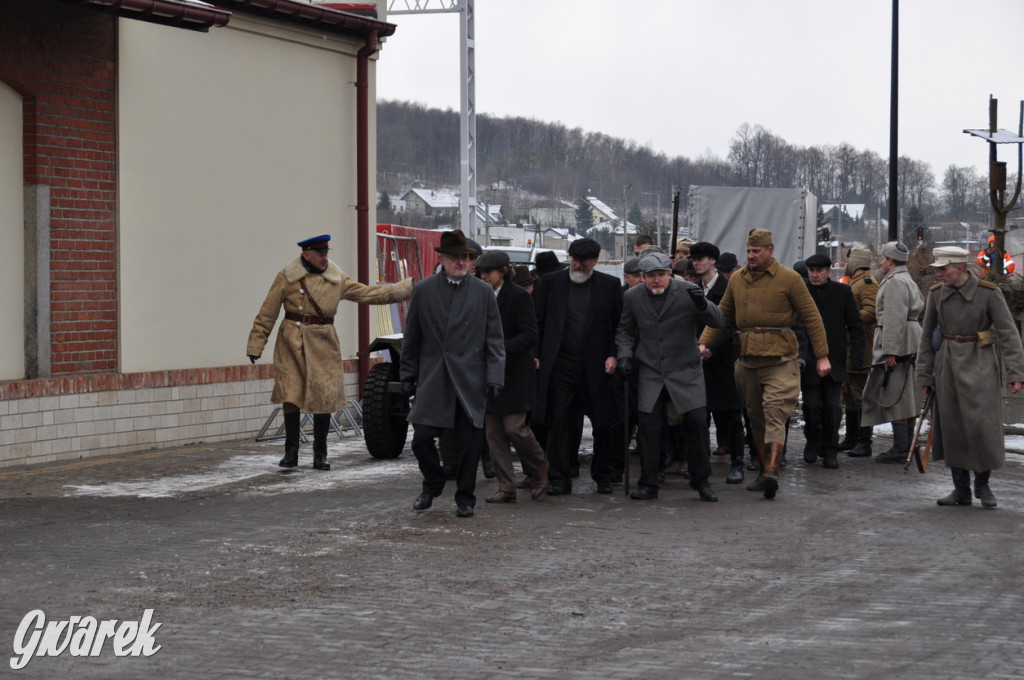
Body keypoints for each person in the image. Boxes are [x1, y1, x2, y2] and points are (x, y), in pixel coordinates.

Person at [247, 234, 413, 471]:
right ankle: (291, 452)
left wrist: (407, 287)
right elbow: (268, 312)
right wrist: (256, 344)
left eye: (326, 253)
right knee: (290, 393)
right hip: (291, 340)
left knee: (324, 396)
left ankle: (320, 454)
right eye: (320, 254)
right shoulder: (287, 276)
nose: (325, 258)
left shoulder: (337, 278)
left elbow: (370, 294)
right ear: (306, 255)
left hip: (324, 340)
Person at [699, 228, 830, 499]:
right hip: (747, 361)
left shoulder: (790, 279)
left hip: (781, 359)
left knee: (774, 410)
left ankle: (771, 470)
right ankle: (763, 471)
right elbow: (722, 315)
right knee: (755, 416)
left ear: (770, 250)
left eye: (756, 251)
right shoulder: (737, 280)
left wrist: (822, 355)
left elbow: (812, 318)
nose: (751, 256)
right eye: (748, 251)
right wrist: (704, 343)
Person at [400, 230, 505, 517]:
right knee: (421, 439)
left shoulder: (483, 292)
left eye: (467, 258)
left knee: (470, 443)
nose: (462, 262)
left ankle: (465, 497)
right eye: (456, 257)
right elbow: (412, 338)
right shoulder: (424, 290)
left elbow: (495, 340)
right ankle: (432, 483)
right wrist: (407, 374)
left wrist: (496, 377)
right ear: (443, 259)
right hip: (434, 377)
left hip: (469, 378)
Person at [917, 246, 1024, 508]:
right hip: (947, 366)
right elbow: (927, 335)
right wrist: (925, 374)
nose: (939, 273)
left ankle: (983, 485)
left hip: (981, 364)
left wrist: (1016, 372)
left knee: (982, 427)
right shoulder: (936, 295)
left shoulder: (989, 293)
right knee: (951, 426)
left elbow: (1009, 334)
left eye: (943, 268)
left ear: (960, 268)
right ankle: (960, 489)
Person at [616, 251, 724, 501]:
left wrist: (703, 304)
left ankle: (702, 481)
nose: (657, 280)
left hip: (686, 370)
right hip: (651, 371)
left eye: (661, 275)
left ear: (669, 274)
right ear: (642, 277)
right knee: (649, 428)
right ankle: (649, 483)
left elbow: (718, 321)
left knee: (697, 424)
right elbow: (625, 330)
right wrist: (624, 355)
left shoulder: (688, 290)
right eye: (651, 276)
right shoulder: (632, 296)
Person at [535, 237, 623, 495]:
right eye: (573, 259)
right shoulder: (551, 283)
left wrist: (614, 354)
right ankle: (559, 478)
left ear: (595, 262)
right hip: (561, 366)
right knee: (558, 423)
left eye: (583, 261)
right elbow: (538, 321)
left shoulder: (609, 286)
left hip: (597, 368)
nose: (577, 265)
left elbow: (620, 326)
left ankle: (603, 475)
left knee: (603, 425)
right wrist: (537, 354)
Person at [476, 249, 549, 503]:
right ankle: (506, 487)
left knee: (514, 428)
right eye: (481, 271)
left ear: (503, 272)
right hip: (488, 374)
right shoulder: (478, 295)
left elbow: (530, 335)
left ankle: (540, 465)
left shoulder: (518, 296)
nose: (483, 276)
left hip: (516, 375)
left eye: (488, 272)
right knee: (494, 433)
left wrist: (498, 349)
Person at [799, 253, 865, 469]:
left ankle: (830, 449)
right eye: (811, 271)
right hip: (808, 360)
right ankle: (812, 440)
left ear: (828, 271)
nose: (814, 274)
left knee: (832, 408)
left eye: (819, 270)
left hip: (835, 360)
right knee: (811, 406)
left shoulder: (842, 292)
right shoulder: (801, 292)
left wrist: (856, 357)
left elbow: (856, 326)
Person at [861, 241, 924, 464]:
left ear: (889, 261)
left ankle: (900, 448)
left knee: (896, 394)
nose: (880, 262)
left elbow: (894, 317)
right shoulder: (906, 279)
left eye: (883, 259)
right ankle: (904, 446)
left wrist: (890, 351)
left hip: (900, 342)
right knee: (905, 395)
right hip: (908, 339)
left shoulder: (895, 282)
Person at [690, 241, 746, 484]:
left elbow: (733, 323)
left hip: (723, 361)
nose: (696, 262)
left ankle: (737, 464)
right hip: (696, 363)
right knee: (699, 416)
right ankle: (701, 466)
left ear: (713, 260)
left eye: (701, 258)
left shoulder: (728, 287)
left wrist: (711, 346)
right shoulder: (692, 289)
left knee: (731, 415)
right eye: (694, 258)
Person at [840, 246, 878, 457]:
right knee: (850, 395)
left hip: (862, 347)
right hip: (851, 346)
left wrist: (848, 321)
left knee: (861, 395)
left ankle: (864, 441)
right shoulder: (855, 283)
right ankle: (851, 438)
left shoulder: (867, 284)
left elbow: (871, 311)